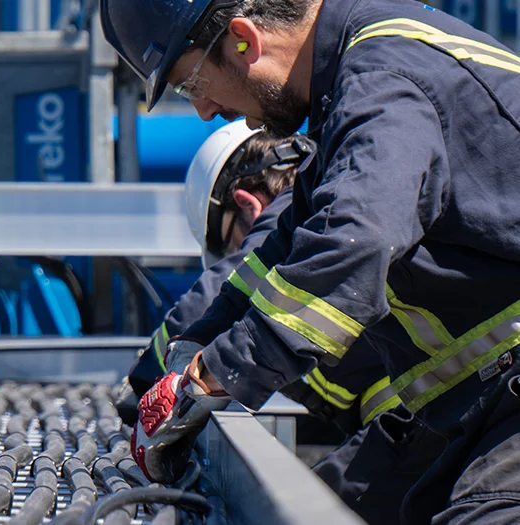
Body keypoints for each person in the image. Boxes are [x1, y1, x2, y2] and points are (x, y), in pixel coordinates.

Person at [101, 0, 520, 523]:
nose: (205, 112)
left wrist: (206, 380)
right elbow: (276, 256)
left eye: (193, 86)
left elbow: (354, 246)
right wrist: (179, 359)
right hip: (481, 404)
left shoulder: (384, 77)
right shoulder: (352, 85)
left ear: (243, 40)